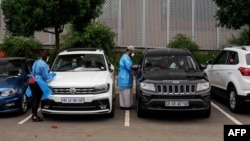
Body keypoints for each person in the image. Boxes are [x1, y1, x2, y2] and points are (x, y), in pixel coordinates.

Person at [26, 50, 56, 122]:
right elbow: (45, 76)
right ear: (47, 57)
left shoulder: (36, 62)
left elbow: (33, 72)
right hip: (38, 82)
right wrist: (52, 75)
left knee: (34, 99)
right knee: (37, 99)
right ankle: (35, 116)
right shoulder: (44, 64)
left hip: (32, 80)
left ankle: (34, 115)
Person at [117, 45, 135, 110]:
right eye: (132, 51)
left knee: (123, 92)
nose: (133, 53)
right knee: (126, 92)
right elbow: (129, 66)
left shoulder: (124, 56)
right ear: (129, 51)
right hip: (125, 77)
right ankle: (127, 106)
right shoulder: (126, 57)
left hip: (123, 76)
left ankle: (123, 105)